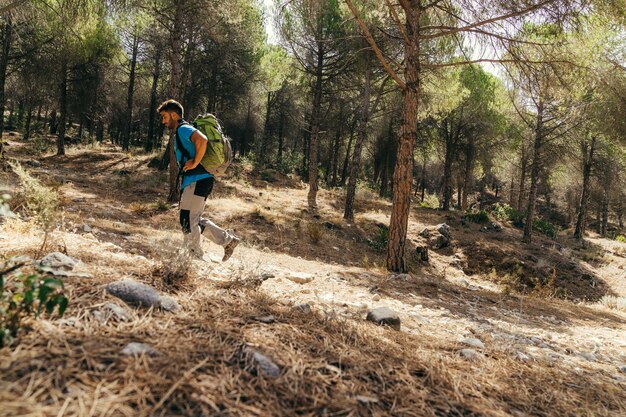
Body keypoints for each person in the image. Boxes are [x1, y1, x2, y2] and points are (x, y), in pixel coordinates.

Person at [157, 99, 240, 261]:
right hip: (198, 180)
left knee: (188, 221)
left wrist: (194, 162)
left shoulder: (183, 129)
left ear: (174, 115)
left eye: (165, 117)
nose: (163, 121)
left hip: (197, 179)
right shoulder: (183, 129)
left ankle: (194, 256)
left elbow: (202, 140)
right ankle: (228, 241)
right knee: (191, 219)